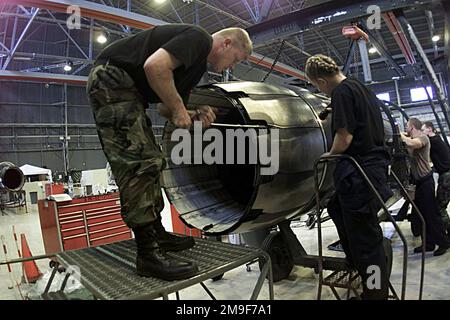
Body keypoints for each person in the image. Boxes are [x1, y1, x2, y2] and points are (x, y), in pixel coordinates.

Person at [86, 24, 252, 280]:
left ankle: (156, 235)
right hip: (112, 79)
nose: (232, 67)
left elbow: (167, 107)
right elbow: (155, 66)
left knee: (153, 159)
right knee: (138, 164)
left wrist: (194, 115)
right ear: (226, 43)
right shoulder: (200, 39)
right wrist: (179, 110)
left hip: (128, 90)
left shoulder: (194, 67)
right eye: (235, 59)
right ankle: (147, 254)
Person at [305, 54, 393, 300]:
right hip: (371, 169)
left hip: (360, 172)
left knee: (367, 240)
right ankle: (356, 261)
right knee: (335, 207)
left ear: (321, 81)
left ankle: (375, 294)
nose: (317, 89)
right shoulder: (358, 86)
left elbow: (344, 139)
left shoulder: (342, 92)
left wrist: (328, 156)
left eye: (315, 85)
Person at [400, 118, 450, 256]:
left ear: (412, 127)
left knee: (432, 215)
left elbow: (411, 143)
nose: (406, 128)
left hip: (426, 182)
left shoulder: (423, 138)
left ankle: (444, 243)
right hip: (419, 183)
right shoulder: (411, 138)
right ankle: (428, 244)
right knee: (421, 215)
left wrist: (398, 133)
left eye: (407, 126)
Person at [422, 121, 450, 231]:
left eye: (423, 130)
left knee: (439, 208)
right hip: (446, 175)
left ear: (429, 129)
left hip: (447, 176)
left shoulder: (432, 141)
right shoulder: (437, 139)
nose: (422, 133)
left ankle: (447, 235)